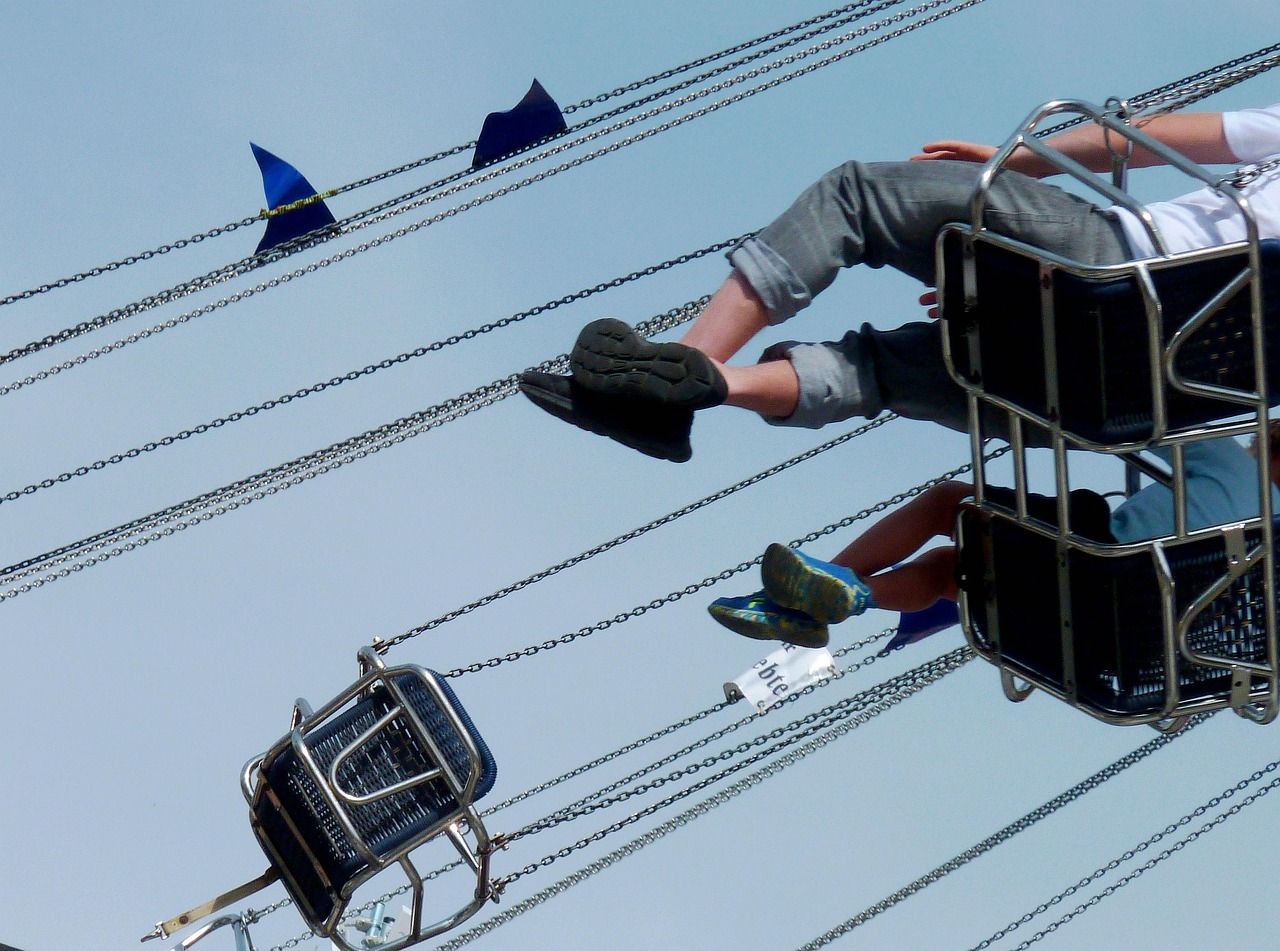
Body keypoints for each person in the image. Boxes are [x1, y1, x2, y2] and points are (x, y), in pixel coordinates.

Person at [520, 103, 1280, 462]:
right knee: (887, 373)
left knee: (859, 198)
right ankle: (718, 386)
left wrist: (1013, 160)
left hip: (1117, 277)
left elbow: (1143, 140)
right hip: (1135, 405)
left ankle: (673, 372)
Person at [708, 425, 1280, 648]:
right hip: (1104, 636)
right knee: (946, 571)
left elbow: (1152, 412)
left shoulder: (1237, 470)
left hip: (1089, 561)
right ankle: (850, 598)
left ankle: (810, 595)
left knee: (948, 503)